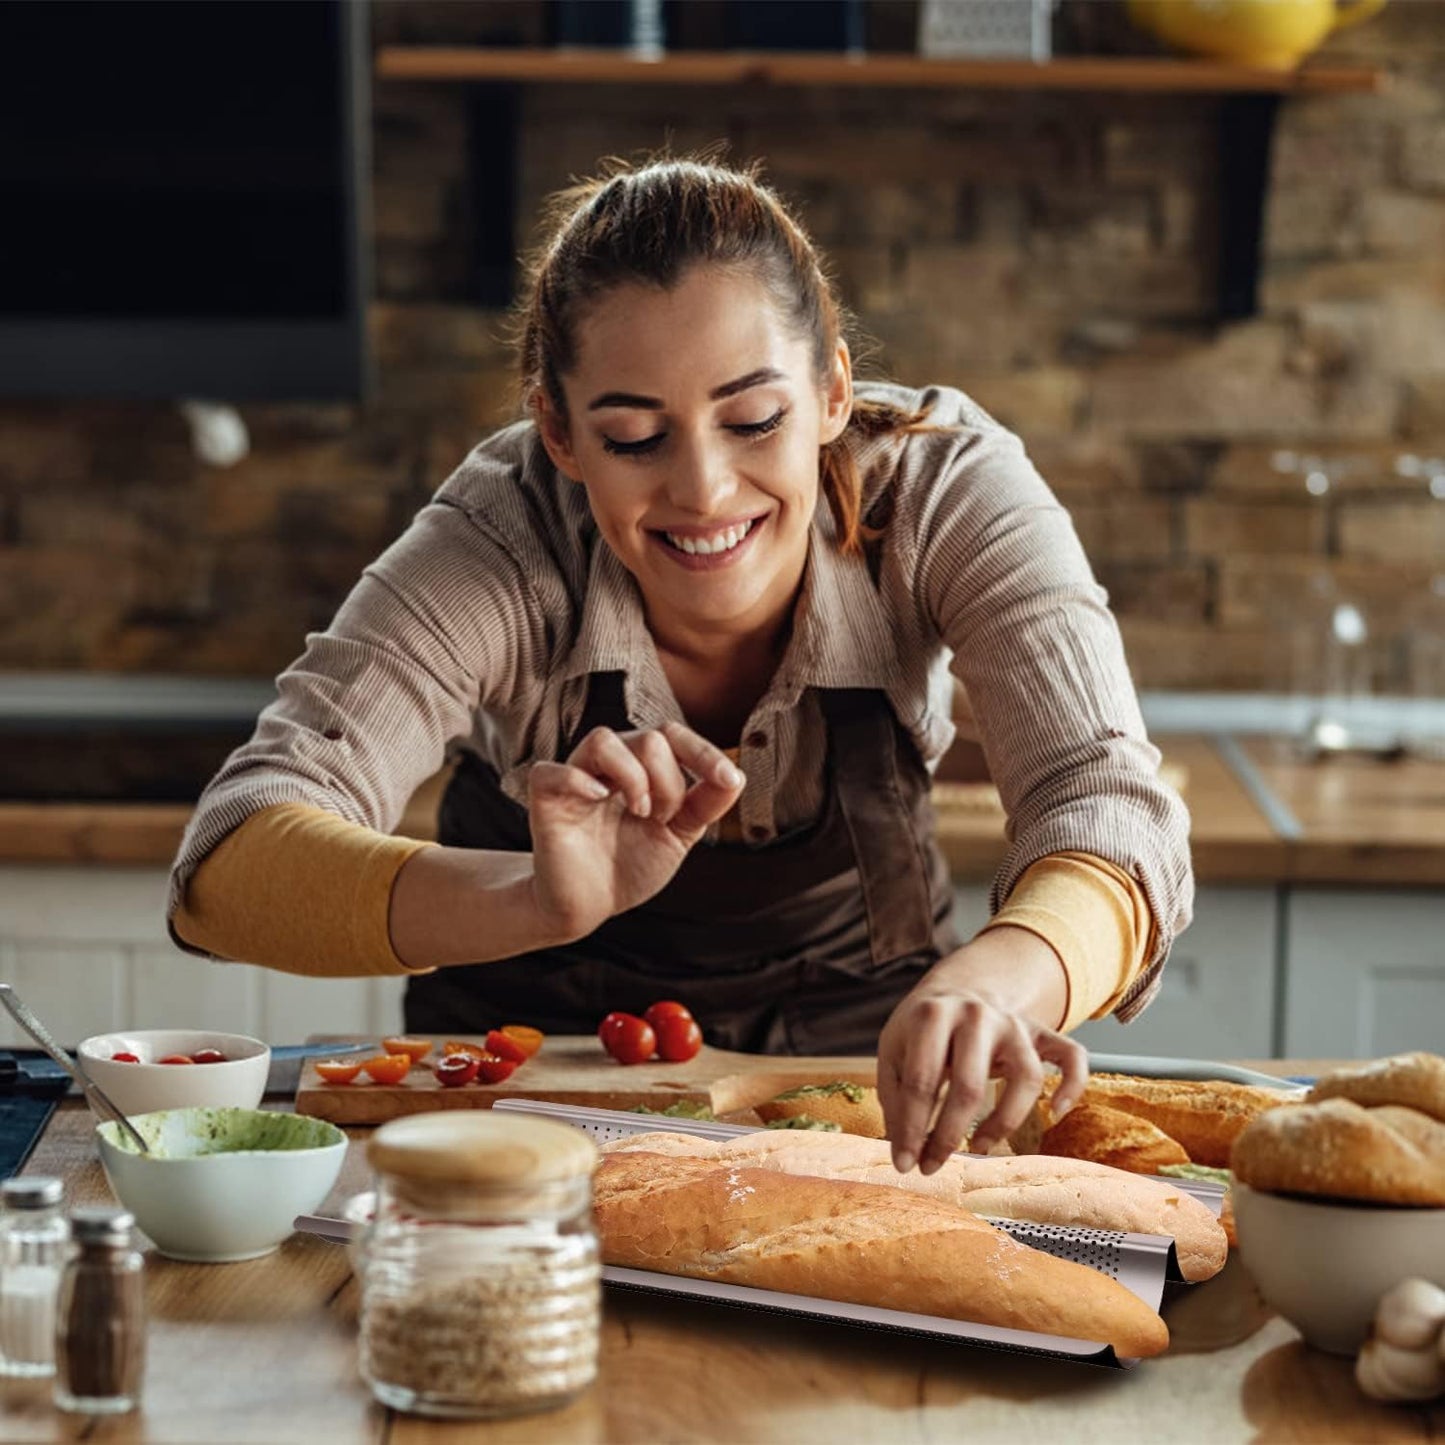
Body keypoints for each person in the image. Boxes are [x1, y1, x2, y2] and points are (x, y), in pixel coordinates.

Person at [168, 156, 1193, 1177]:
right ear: (560, 436)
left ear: (833, 389)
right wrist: (534, 896)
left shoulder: (943, 490)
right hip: (528, 1088)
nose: (702, 489)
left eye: (753, 421)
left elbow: (1105, 797)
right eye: (633, 437)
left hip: (866, 1073)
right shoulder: (500, 541)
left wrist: (1003, 981)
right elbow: (227, 865)